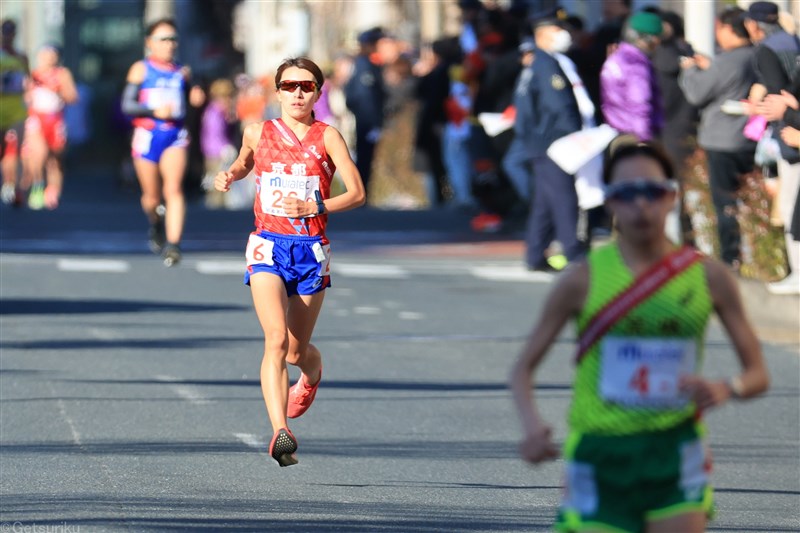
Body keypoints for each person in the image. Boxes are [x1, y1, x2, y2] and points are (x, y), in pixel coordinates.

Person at [509, 141, 769, 533]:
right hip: (601, 454)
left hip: (675, 451)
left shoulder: (709, 277)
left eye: (653, 192)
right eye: (627, 195)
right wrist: (532, 427)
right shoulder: (583, 279)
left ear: (671, 197)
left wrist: (726, 388)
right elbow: (523, 369)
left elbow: (757, 374)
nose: (641, 206)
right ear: (610, 203)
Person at [214, 57, 366, 467]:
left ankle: (312, 375)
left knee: (297, 352)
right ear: (277, 91)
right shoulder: (257, 131)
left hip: (311, 250)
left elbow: (356, 193)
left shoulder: (327, 136)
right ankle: (281, 430)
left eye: (307, 86)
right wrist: (229, 175)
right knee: (275, 341)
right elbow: (246, 163)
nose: (298, 93)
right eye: (290, 86)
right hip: (267, 244)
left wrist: (316, 203)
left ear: (318, 92)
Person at [679, 7, 757, 270]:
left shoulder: (728, 61)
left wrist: (690, 71)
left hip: (724, 141)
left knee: (725, 201)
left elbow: (697, 93)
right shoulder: (756, 54)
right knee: (752, 199)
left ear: (726, 29)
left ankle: (730, 258)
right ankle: (752, 254)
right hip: (751, 139)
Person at [121, 18, 191, 267]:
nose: (170, 44)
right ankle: (155, 221)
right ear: (149, 43)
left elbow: (188, 105)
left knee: (173, 189)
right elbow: (127, 105)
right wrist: (153, 111)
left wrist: (195, 95)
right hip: (148, 135)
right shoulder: (141, 69)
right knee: (152, 197)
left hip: (175, 135)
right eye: (163, 39)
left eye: (173, 39)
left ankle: (173, 245)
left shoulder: (182, 71)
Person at [744, 1, 800, 295]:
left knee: (791, 204)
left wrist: (766, 106)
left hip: (791, 134)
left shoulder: (766, 49)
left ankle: (797, 272)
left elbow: (780, 94)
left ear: (753, 25)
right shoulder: (793, 40)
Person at [522, 8, 585, 271]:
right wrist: (576, 135)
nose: (564, 34)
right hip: (555, 142)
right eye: (558, 30)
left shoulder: (538, 62)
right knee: (563, 197)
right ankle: (573, 252)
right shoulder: (547, 64)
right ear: (544, 34)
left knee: (545, 203)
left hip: (541, 141)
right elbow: (559, 105)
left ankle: (535, 254)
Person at [21, 44, 78, 210]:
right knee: (39, 153)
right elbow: (25, 97)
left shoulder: (62, 74)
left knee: (55, 159)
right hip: (36, 118)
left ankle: (53, 190)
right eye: (45, 54)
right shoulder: (33, 75)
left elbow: (73, 97)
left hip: (55, 120)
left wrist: (57, 91)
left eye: (51, 54)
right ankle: (37, 185)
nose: (48, 58)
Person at [600, 11, 664, 142]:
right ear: (648, 39)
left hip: (615, 130)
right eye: (657, 38)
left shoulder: (616, 58)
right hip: (634, 135)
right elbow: (639, 104)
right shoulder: (635, 64)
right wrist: (644, 140)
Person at [345, 27, 386, 198]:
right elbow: (364, 97)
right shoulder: (364, 65)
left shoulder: (365, 64)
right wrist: (373, 123)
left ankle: (362, 194)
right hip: (366, 122)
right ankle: (361, 195)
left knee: (366, 159)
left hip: (366, 121)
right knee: (365, 160)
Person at [0, 19, 29, 207]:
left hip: (17, 107)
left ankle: (16, 188)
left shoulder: (21, 57)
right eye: (5, 32)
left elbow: (28, 80)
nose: (8, 35)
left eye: (11, 32)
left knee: (17, 149)